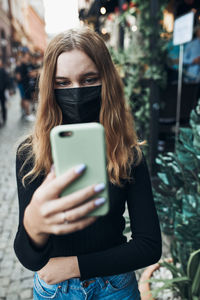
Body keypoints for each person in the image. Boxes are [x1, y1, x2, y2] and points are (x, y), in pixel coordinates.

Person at [14, 28, 162, 300]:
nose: (77, 92)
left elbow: (149, 246)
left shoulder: (127, 152)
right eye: (63, 83)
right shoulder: (30, 154)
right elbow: (31, 259)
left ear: (106, 81)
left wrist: (74, 266)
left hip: (115, 289)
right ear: (49, 86)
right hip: (54, 292)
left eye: (89, 79)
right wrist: (33, 225)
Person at [15, 52, 35, 121]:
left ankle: (24, 111)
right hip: (24, 84)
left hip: (25, 84)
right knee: (26, 99)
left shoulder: (24, 65)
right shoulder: (21, 65)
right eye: (27, 55)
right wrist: (27, 76)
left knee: (24, 98)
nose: (28, 57)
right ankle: (28, 114)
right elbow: (18, 77)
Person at [0, 58, 10, 125]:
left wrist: (7, 88)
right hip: (2, 90)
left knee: (3, 105)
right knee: (3, 105)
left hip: (2, 91)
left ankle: (4, 118)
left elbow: (7, 80)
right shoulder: (3, 70)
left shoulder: (3, 70)